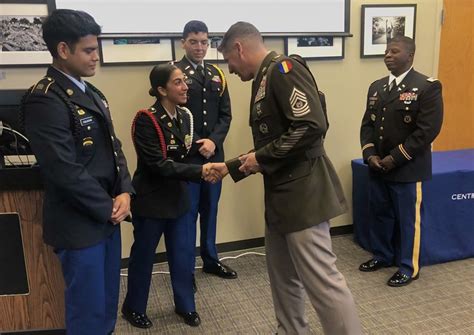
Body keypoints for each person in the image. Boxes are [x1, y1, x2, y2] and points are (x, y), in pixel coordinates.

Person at [213, 22, 362, 335]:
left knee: (323, 282)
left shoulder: (284, 69)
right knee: (283, 279)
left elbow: (310, 126)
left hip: (303, 194)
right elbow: (274, 141)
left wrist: (260, 158)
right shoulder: (265, 77)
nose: (231, 68)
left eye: (229, 60)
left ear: (239, 48)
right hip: (281, 197)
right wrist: (233, 166)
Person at [21, 9, 133, 335]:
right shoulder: (44, 99)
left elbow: (115, 149)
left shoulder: (92, 94)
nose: (96, 57)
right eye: (88, 50)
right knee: (87, 311)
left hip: (106, 218)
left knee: (106, 304)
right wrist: (107, 207)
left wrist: (125, 191)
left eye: (96, 48)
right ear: (63, 50)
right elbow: (62, 169)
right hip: (79, 224)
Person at [122, 64, 219, 329]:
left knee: (183, 254)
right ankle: (133, 307)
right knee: (143, 257)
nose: (185, 86)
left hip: (178, 197)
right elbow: (158, 165)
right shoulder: (146, 119)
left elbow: (185, 154)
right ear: (162, 89)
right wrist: (200, 171)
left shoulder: (184, 116)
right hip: (152, 199)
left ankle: (186, 305)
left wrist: (207, 167)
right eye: (178, 82)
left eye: (184, 81)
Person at [359, 36, 443, 287]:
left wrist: (394, 159)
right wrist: (370, 155)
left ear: (410, 56)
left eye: (394, 51)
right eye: (386, 51)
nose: (388, 55)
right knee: (381, 215)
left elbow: (427, 131)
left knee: (408, 221)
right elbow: (368, 126)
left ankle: (409, 266)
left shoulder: (427, 87)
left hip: (407, 168)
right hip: (379, 167)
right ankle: (383, 256)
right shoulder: (376, 87)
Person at [175, 20, 236, 282]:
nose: (200, 47)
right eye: (193, 42)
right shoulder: (173, 72)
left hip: (215, 156)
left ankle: (210, 259)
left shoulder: (216, 74)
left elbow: (225, 114)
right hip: (189, 158)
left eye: (204, 42)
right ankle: (185, 268)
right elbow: (174, 116)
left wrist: (214, 141)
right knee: (188, 214)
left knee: (211, 210)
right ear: (183, 43)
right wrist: (201, 142)